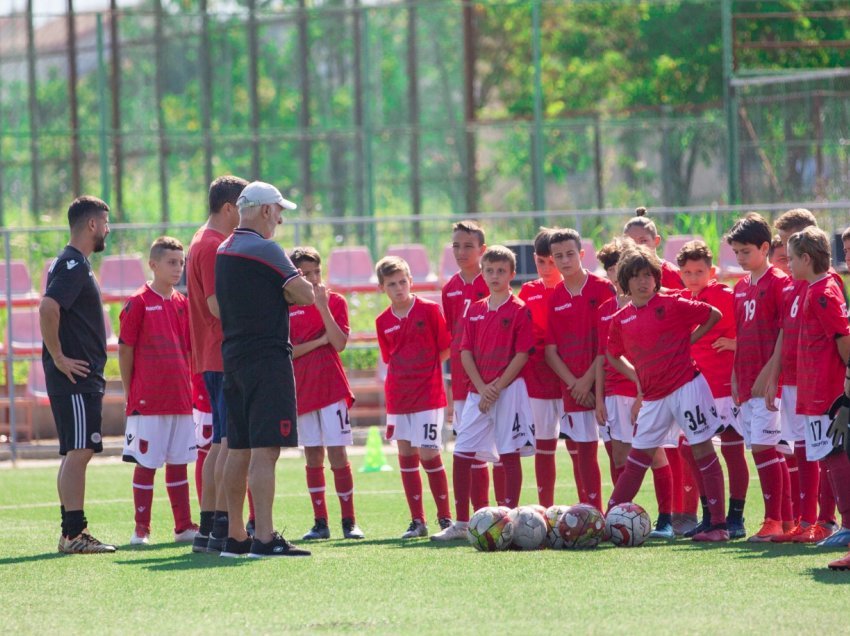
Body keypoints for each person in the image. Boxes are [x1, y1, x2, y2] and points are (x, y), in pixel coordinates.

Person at [214, 180, 315, 558]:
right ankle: (264, 536)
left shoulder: (225, 248)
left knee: (237, 449)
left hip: (234, 357)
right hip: (267, 359)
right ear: (266, 210)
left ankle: (236, 536)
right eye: (279, 212)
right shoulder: (266, 248)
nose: (281, 220)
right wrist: (287, 290)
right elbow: (304, 294)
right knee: (265, 450)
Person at [605, 244, 729, 542]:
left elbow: (713, 314)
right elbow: (611, 355)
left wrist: (688, 341)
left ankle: (719, 526)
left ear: (656, 278)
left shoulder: (672, 303)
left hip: (687, 386)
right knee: (638, 457)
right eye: (635, 276)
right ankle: (609, 520)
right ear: (624, 282)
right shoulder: (620, 319)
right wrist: (636, 376)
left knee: (702, 450)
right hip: (653, 396)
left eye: (648, 275)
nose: (642, 281)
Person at [432, 246, 534, 541]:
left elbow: (522, 354)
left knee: (508, 454)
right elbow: (464, 352)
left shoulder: (519, 309)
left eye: (501, 271)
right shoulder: (473, 309)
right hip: (479, 394)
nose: (494, 276)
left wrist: (497, 387)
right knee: (462, 453)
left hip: (509, 392)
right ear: (483, 273)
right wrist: (481, 388)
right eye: (489, 271)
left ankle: (510, 520)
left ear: (512, 275)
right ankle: (461, 522)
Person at [39, 195, 116, 554]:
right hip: (76, 378)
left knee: (76, 450)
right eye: (105, 222)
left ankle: (70, 532)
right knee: (80, 451)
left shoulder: (73, 262)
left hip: (79, 377)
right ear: (91, 225)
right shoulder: (72, 264)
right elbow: (48, 307)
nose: (107, 229)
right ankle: (73, 534)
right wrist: (58, 356)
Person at [623, 207, 698, 532]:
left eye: (643, 240)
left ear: (656, 240)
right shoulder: (626, 277)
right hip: (649, 377)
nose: (637, 246)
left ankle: (687, 512)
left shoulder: (667, 274)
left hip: (680, 374)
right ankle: (662, 514)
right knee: (655, 447)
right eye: (631, 241)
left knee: (684, 444)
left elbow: (685, 318)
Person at [594, 238, 675, 539]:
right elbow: (605, 355)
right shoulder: (605, 309)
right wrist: (600, 397)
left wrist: (643, 392)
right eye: (610, 269)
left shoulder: (652, 304)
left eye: (619, 267)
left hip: (648, 392)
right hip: (614, 392)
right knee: (619, 457)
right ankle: (621, 517)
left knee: (655, 454)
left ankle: (666, 519)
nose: (615, 274)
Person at [768, 209, 840, 544]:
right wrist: (774, 373)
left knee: (827, 452)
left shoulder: (825, 285)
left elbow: (841, 336)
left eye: (786, 244)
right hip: (799, 383)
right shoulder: (792, 286)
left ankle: (826, 520)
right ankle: (805, 519)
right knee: (805, 450)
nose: (782, 253)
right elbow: (786, 333)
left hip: (822, 384)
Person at [120, 237, 197, 545]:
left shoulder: (183, 303)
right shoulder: (138, 301)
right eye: (171, 262)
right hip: (148, 400)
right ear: (153, 265)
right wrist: (131, 392)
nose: (178, 268)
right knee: (146, 463)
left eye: (181, 262)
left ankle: (183, 527)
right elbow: (125, 349)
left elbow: (189, 350)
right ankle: (141, 529)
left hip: (180, 398)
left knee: (179, 463)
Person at [187, 175, 248, 554]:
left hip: (210, 354)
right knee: (229, 444)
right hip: (222, 353)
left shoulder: (199, 238)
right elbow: (215, 304)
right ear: (229, 208)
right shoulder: (212, 244)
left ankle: (209, 528)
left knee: (217, 445)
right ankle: (222, 527)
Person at [783, 228, 850, 570]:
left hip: (828, 391)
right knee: (829, 456)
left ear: (806, 259)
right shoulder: (815, 288)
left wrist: (844, 387)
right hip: (815, 390)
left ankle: (847, 526)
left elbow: (842, 339)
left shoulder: (823, 291)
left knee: (836, 455)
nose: (789, 265)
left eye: (792, 258)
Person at [675, 240, 749, 540]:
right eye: (688, 272)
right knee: (688, 447)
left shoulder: (723, 295)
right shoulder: (681, 300)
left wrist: (735, 345)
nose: (693, 277)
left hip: (725, 388)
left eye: (699, 271)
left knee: (732, 451)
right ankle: (710, 514)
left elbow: (751, 331)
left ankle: (736, 517)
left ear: (712, 271)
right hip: (696, 390)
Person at [288, 246, 364, 541]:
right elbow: (290, 352)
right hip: (303, 389)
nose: (312, 279)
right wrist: (320, 341)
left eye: (316, 272)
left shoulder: (334, 301)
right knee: (312, 455)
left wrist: (322, 308)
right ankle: (320, 522)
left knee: (337, 453)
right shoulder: (285, 305)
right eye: (305, 274)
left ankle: (349, 521)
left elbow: (339, 342)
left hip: (331, 387)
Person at [376, 256, 453, 539]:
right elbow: (389, 358)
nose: (399, 288)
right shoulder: (382, 321)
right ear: (382, 287)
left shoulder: (429, 310)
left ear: (410, 281)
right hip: (399, 396)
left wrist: (427, 371)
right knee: (406, 455)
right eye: (391, 284)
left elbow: (445, 348)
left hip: (429, 395)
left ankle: (445, 518)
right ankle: (417, 521)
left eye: (402, 282)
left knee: (430, 454)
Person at [727, 212, 791, 542]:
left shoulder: (779, 282)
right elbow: (741, 333)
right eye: (736, 252)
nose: (740, 258)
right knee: (767, 449)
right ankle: (787, 519)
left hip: (769, 382)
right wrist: (736, 376)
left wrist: (771, 371)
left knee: (765, 449)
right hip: (747, 380)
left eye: (746, 251)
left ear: (765, 247)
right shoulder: (739, 287)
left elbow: (784, 330)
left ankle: (774, 520)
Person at [544, 228, 615, 509]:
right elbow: (550, 352)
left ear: (581, 254)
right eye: (558, 256)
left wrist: (588, 382)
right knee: (583, 452)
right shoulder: (555, 297)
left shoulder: (603, 288)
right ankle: (592, 513)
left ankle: (620, 511)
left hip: (606, 385)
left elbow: (608, 343)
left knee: (615, 450)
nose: (565, 260)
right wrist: (575, 384)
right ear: (552, 260)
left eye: (570, 254)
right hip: (573, 388)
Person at [441, 220, 496, 507]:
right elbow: (454, 336)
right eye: (456, 246)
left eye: (468, 246)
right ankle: (478, 516)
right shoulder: (449, 288)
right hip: (463, 382)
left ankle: (500, 513)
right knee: (469, 448)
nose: (461, 252)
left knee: (497, 451)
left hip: (492, 380)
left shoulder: (492, 282)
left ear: (482, 249)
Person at [518, 228, 564, 507]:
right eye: (541, 262)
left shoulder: (574, 288)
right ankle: (545, 510)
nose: (547, 268)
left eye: (553, 261)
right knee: (543, 448)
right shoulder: (528, 291)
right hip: (538, 382)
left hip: (574, 380)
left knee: (579, 447)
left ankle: (589, 512)